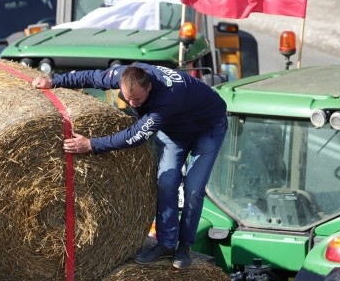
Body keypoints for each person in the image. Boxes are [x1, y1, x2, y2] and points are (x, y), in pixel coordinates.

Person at [31, 63, 228, 270]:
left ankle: (185, 246)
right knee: (166, 182)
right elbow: (91, 76)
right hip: (174, 130)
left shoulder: (168, 98)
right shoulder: (124, 76)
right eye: (128, 98)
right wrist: (54, 81)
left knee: (194, 189)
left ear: (149, 87)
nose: (132, 104)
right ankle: (166, 244)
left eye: (138, 100)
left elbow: (135, 135)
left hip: (207, 129)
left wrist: (91, 144)